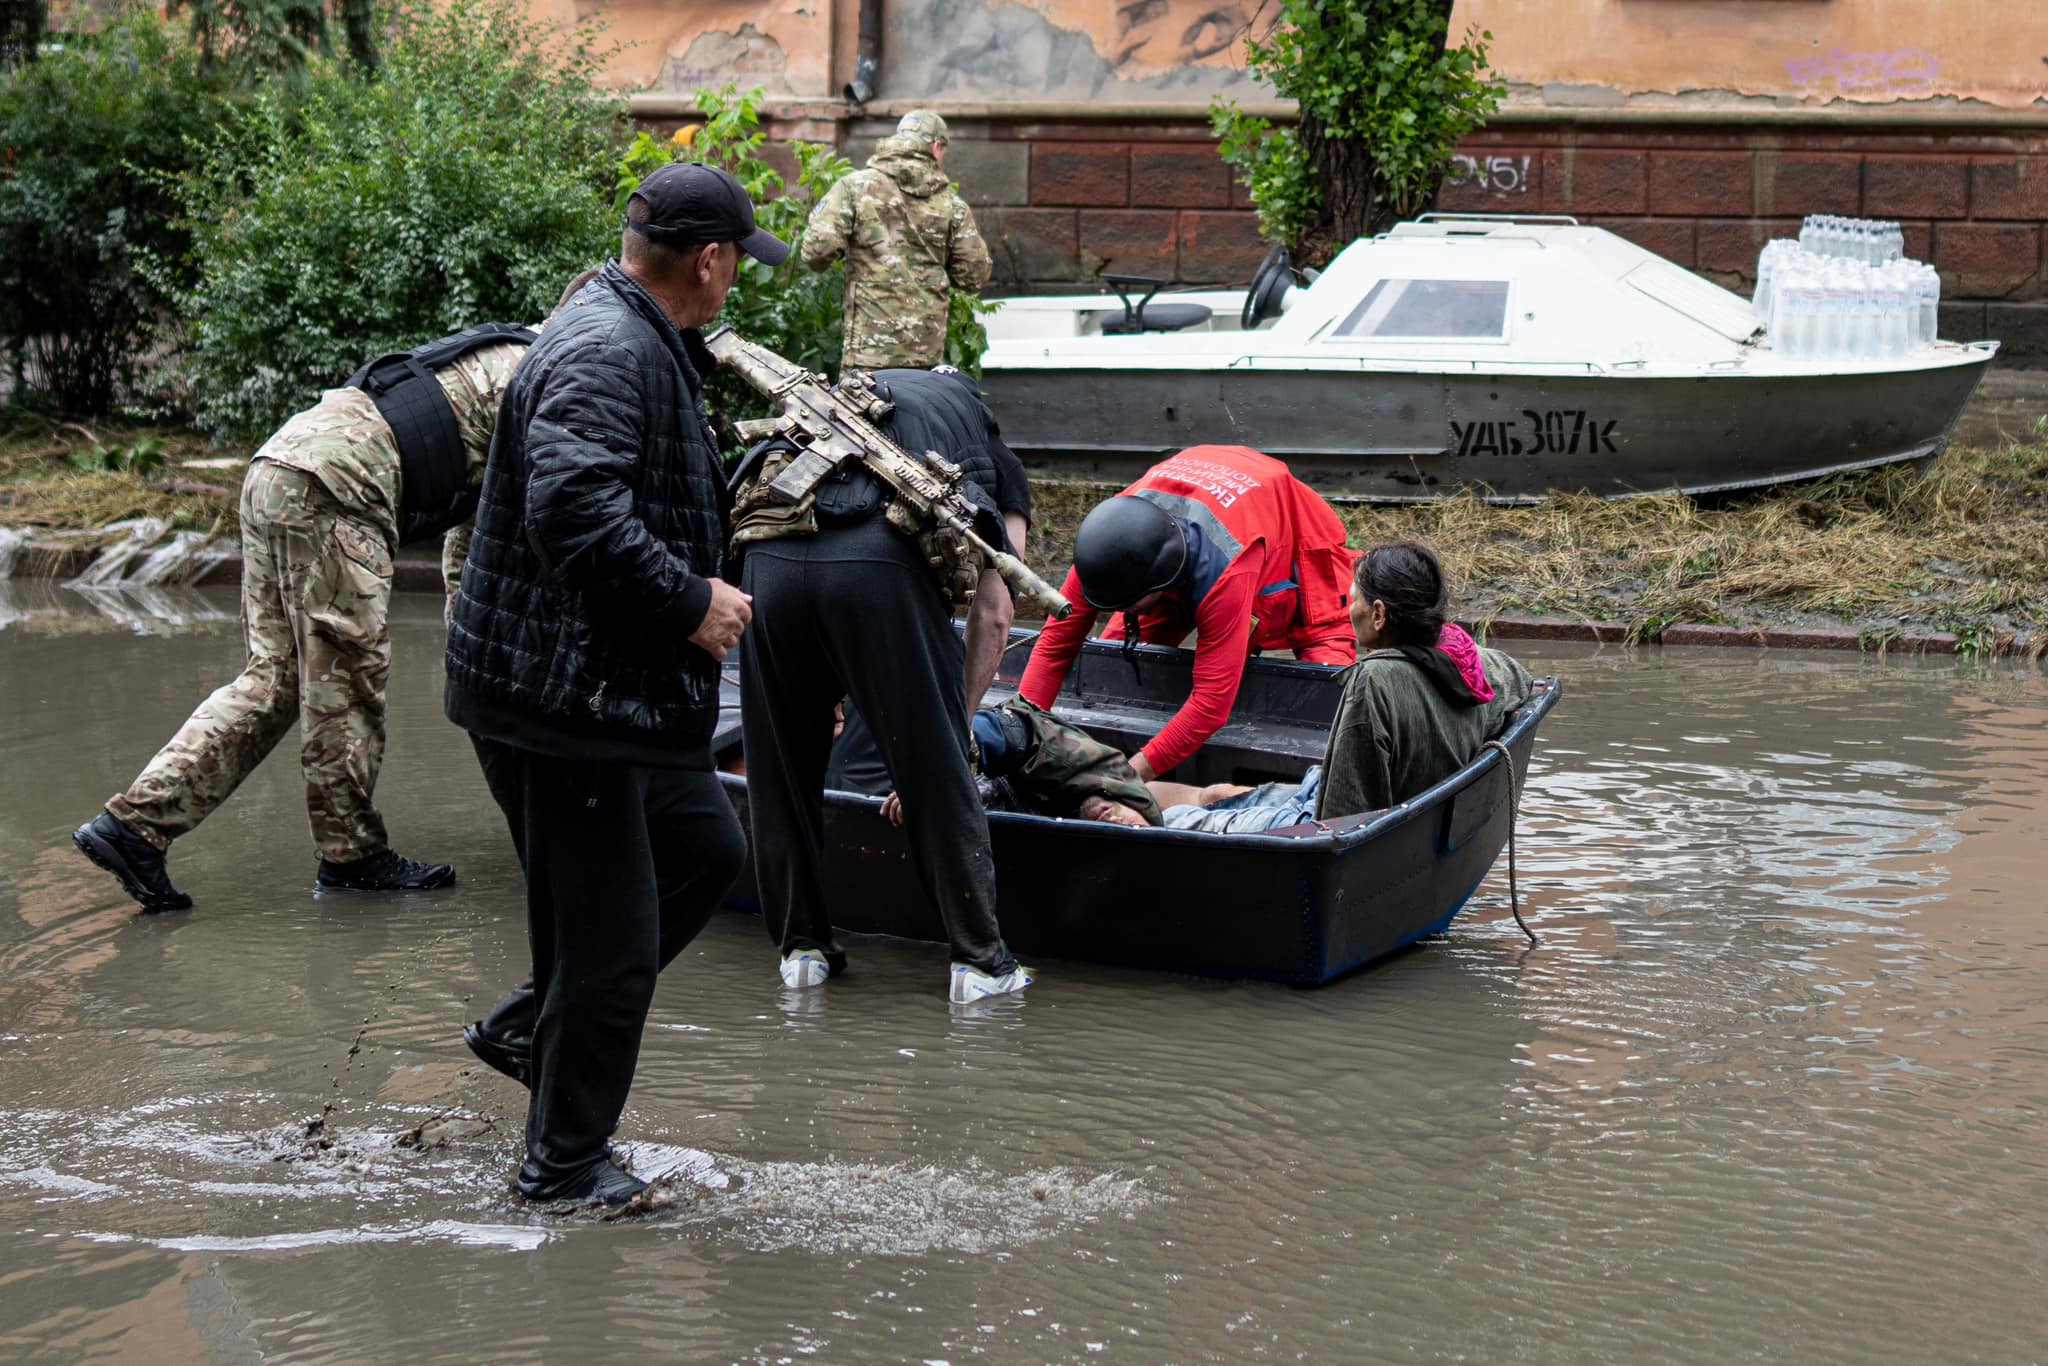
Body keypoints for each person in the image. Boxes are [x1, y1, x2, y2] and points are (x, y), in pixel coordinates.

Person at [446, 163, 778, 1207]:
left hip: (615, 692)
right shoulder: (605, 346)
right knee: (609, 943)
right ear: (709, 259)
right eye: (736, 265)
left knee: (704, 850)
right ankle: (561, 1169)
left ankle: (527, 1032)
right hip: (565, 704)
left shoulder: (637, 332)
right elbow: (575, 514)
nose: (735, 284)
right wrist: (692, 602)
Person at [68, 272, 597, 913]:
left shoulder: (506, 352)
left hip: (280, 468)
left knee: (276, 680)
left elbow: (475, 534)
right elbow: (515, 534)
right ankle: (353, 859)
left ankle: (135, 828)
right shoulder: (550, 377)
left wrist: (466, 642)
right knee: (347, 681)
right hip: (336, 489)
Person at [735, 365, 1033, 1004]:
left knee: (780, 772)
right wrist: (954, 732)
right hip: (878, 567)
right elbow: (996, 611)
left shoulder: (835, 398)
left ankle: (803, 954)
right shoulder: (984, 437)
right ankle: (983, 966)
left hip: (765, 561)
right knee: (935, 772)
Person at [1017, 444, 1359, 783]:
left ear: (1159, 584)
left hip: (1295, 542)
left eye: (1126, 606)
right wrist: (1020, 733)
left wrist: (1128, 777)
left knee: (1328, 695)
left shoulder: (1225, 570)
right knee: (1114, 676)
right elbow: (1053, 648)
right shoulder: (1104, 552)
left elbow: (1212, 705)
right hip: (1186, 521)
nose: (1118, 612)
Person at [1159, 542, 1534, 834]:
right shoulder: (1467, 656)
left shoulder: (1375, 680)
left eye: (1353, 599)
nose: (1347, 609)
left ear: (1380, 613)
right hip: (1348, 795)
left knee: (1175, 818)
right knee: (1217, 794)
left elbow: (1339, 815)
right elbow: (1523, 684)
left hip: (1321, 821)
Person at [801, 109, 992, 374]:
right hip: (926, 357)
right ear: (937, 147)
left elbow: (816, 253)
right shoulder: (952, 204)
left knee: (860, 416)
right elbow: (974, 275)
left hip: (867, 355)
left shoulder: (854, 188)